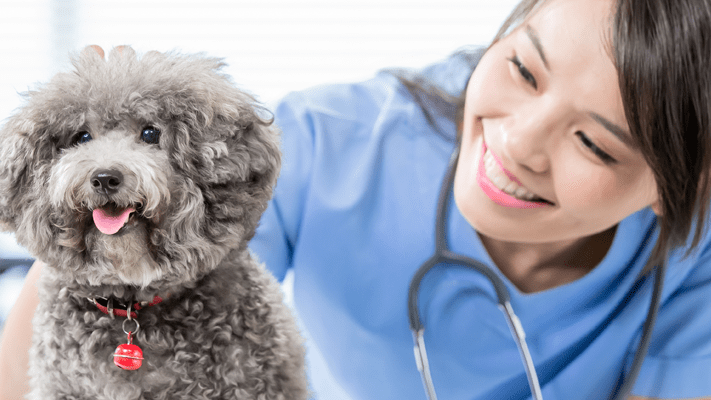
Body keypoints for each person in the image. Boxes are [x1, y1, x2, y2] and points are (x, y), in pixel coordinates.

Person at [2, 0, 711, 398]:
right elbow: (116, 280)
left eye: (594, 144)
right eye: (523, 68)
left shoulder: (695, 259)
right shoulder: (329, 145)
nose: (518, 141)